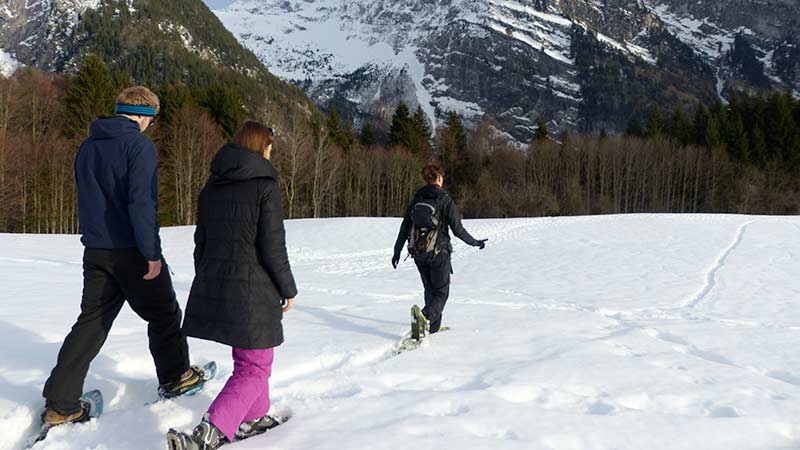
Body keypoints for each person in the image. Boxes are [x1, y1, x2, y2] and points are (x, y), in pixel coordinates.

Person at [41, 86, 205, 429]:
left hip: (96, 250)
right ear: (144, 116)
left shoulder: (87, 147)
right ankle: (176, 377)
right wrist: (151, 254)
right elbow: (141, 203)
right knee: (164, 312)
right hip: (131, 250)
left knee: (91, 323)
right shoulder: (138, 147)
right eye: (152, 119)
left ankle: (60, 405)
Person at [167, 120, 297, 450]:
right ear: (260, 147)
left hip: (221, 283)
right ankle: (209, 432)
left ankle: (253, 416)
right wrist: (287, 288)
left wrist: (210, 278)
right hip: (254, 289)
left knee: (251, 359)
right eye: (270, 147)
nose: (271, 153)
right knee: (254, 366)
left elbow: (202, 242)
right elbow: (272, 245)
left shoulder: (213, 185)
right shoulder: (265, 185)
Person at [392, 164, 487, 339]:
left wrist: (397, 250)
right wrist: (475, 242)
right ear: (439, 178)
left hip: (418, 253)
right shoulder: (444, 199)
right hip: (439, 253)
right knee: (442, 292)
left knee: (430, 289)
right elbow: (458, 230)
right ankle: (426, 318)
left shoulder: (416, 198)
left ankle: (432, 328)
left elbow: (405, 226)